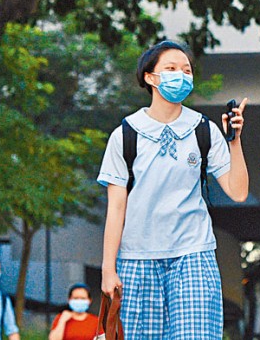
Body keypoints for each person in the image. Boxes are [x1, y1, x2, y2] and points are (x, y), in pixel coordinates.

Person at [97, 40, 249, 339]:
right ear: (150, 78)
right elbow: (116, 208)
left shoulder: (203, 130)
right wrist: (108, 268)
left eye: (186, 70)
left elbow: (238, 191)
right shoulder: (125, 135)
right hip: (137, 258)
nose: (181, 75)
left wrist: (235, 140)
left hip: (193, 254)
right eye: (171, 68)